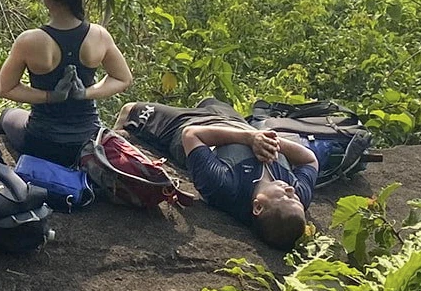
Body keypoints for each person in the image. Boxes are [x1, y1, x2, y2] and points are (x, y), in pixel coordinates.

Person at [115, 98, 317, 250]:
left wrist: (251, 138)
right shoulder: (297, 196)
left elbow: (191, 136)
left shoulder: (226, 188)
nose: (291, 190)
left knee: (130, 109)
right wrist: (270, 141)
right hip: (236, 122)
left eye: (285, 197)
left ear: (258, 206)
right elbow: (310, 159)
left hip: (192, 125)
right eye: (296, 197)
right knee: (210, 99)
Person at [0, 0, 133, 166]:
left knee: (7, 115)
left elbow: (3, 88)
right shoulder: (99, 36)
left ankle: (3, 176)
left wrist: (50, 96)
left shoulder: (29, 40)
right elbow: (123, 78)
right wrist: (85, 93)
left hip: (42, 140)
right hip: (86, 139)